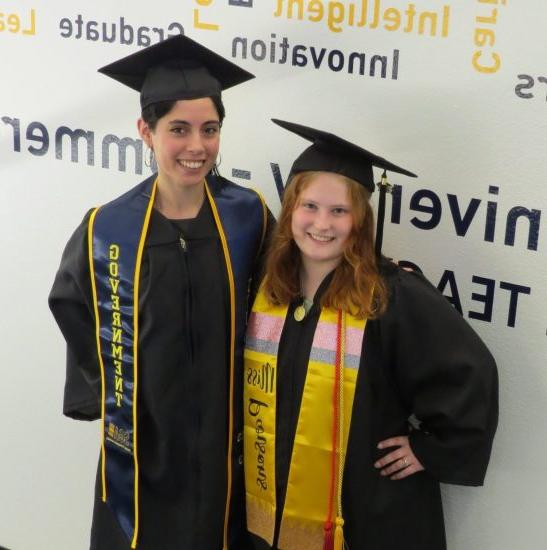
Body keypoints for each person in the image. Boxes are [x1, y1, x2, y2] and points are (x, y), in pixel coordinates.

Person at [49, 35, 272, 550]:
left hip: (228, 439)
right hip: (147, 440)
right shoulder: (106, 229)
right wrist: (100, 389)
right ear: (145, 132)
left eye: (210, 130)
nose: (197, 147)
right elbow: (73, 308)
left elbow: (284, 292)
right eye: (179, 130)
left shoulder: (248, 216)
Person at [243, 120, 498, 550]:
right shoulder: (267, 288)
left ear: (360, 221)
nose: (322, 223)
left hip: (364, 512)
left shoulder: (389, 295)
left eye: (339, 211)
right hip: (270, 498)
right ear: (289, 211)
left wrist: (430, 451)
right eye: (309, 206)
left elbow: (471, 373)